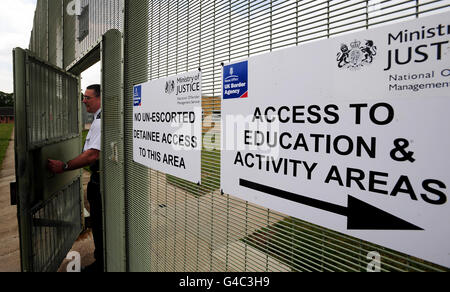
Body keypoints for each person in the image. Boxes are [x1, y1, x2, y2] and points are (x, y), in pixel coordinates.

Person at [47, 84, 103, 273]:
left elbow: (92, 155)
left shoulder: (101, 120)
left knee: (99, 224)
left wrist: (64, 167)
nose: (84, 100)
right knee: (97, 223)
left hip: (100, 181)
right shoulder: (98, 119)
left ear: (99, 98)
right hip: (98, 179)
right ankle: (101, 260)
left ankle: (101, 264)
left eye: (88, 97)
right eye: (84, 97)